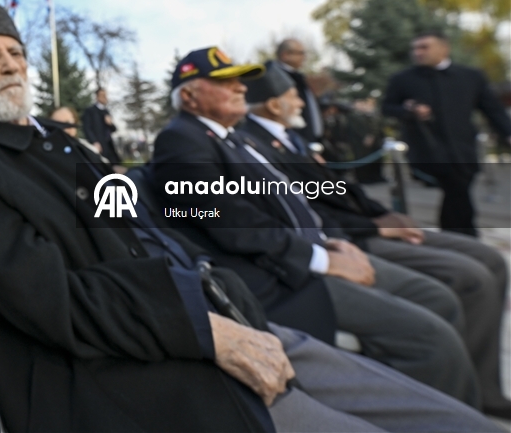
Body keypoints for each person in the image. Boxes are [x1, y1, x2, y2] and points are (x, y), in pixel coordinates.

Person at [0, 0, 497, 433]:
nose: (10, 65)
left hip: (221, 303)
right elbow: (54, 298)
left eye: (15, 52)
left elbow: (139, 232)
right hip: (163, 352)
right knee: (424, 339)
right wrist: (206, 321)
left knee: (445, 413)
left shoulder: (60, 142)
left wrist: (362, 223)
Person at [148, 48, 479, 406]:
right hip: (283, 277)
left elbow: (288, 203)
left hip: (314, 252)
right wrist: (319, 258)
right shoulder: (181, 139)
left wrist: (329, 242)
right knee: (429, 339)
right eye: (224, 82)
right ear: (189, 95)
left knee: (436, 303)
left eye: (239, 80)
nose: (240, 87)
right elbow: (225, 218)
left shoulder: (231, 138)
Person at [241, 62, 511, 419]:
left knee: (488, 260)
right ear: (275, 104)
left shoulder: (289, 139)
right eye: (295, 96)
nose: (304, 103)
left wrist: (383, 214)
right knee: (463, 282)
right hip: (345, 239)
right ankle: (456, 408)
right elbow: (302, 211)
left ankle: (481, 389)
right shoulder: (253, 144)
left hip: (353, 229)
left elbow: (335, 190)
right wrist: (371, 227)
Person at [382, 31, 511, 236]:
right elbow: (387, 108)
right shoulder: (403, 79)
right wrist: (409, 110)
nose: (418, 52)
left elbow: (493, 110)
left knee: (457, 190)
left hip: (463, 148)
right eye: (415, 48)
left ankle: (454, 235)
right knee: (456, 186)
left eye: (424, 47)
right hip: (426, 149)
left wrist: (508, 133)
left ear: (443, 49)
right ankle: (465, 235)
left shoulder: (471, 76)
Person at [275, 38, 324, 143]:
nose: (304, 57)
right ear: (285, 55)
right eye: (300, 53)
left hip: (309, 139)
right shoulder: (279, 79)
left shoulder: (298, 77)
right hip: (295, 140)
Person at [82, 88, 121, 163]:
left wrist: (110, 124)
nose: (105, 97)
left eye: (106, 95)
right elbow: (87, 128)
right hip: (99, 146)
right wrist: (94, 141)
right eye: (102, 95)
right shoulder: (90, 111)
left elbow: (113, 129)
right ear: (97, 97)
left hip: (109, 147)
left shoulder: (106, 111)